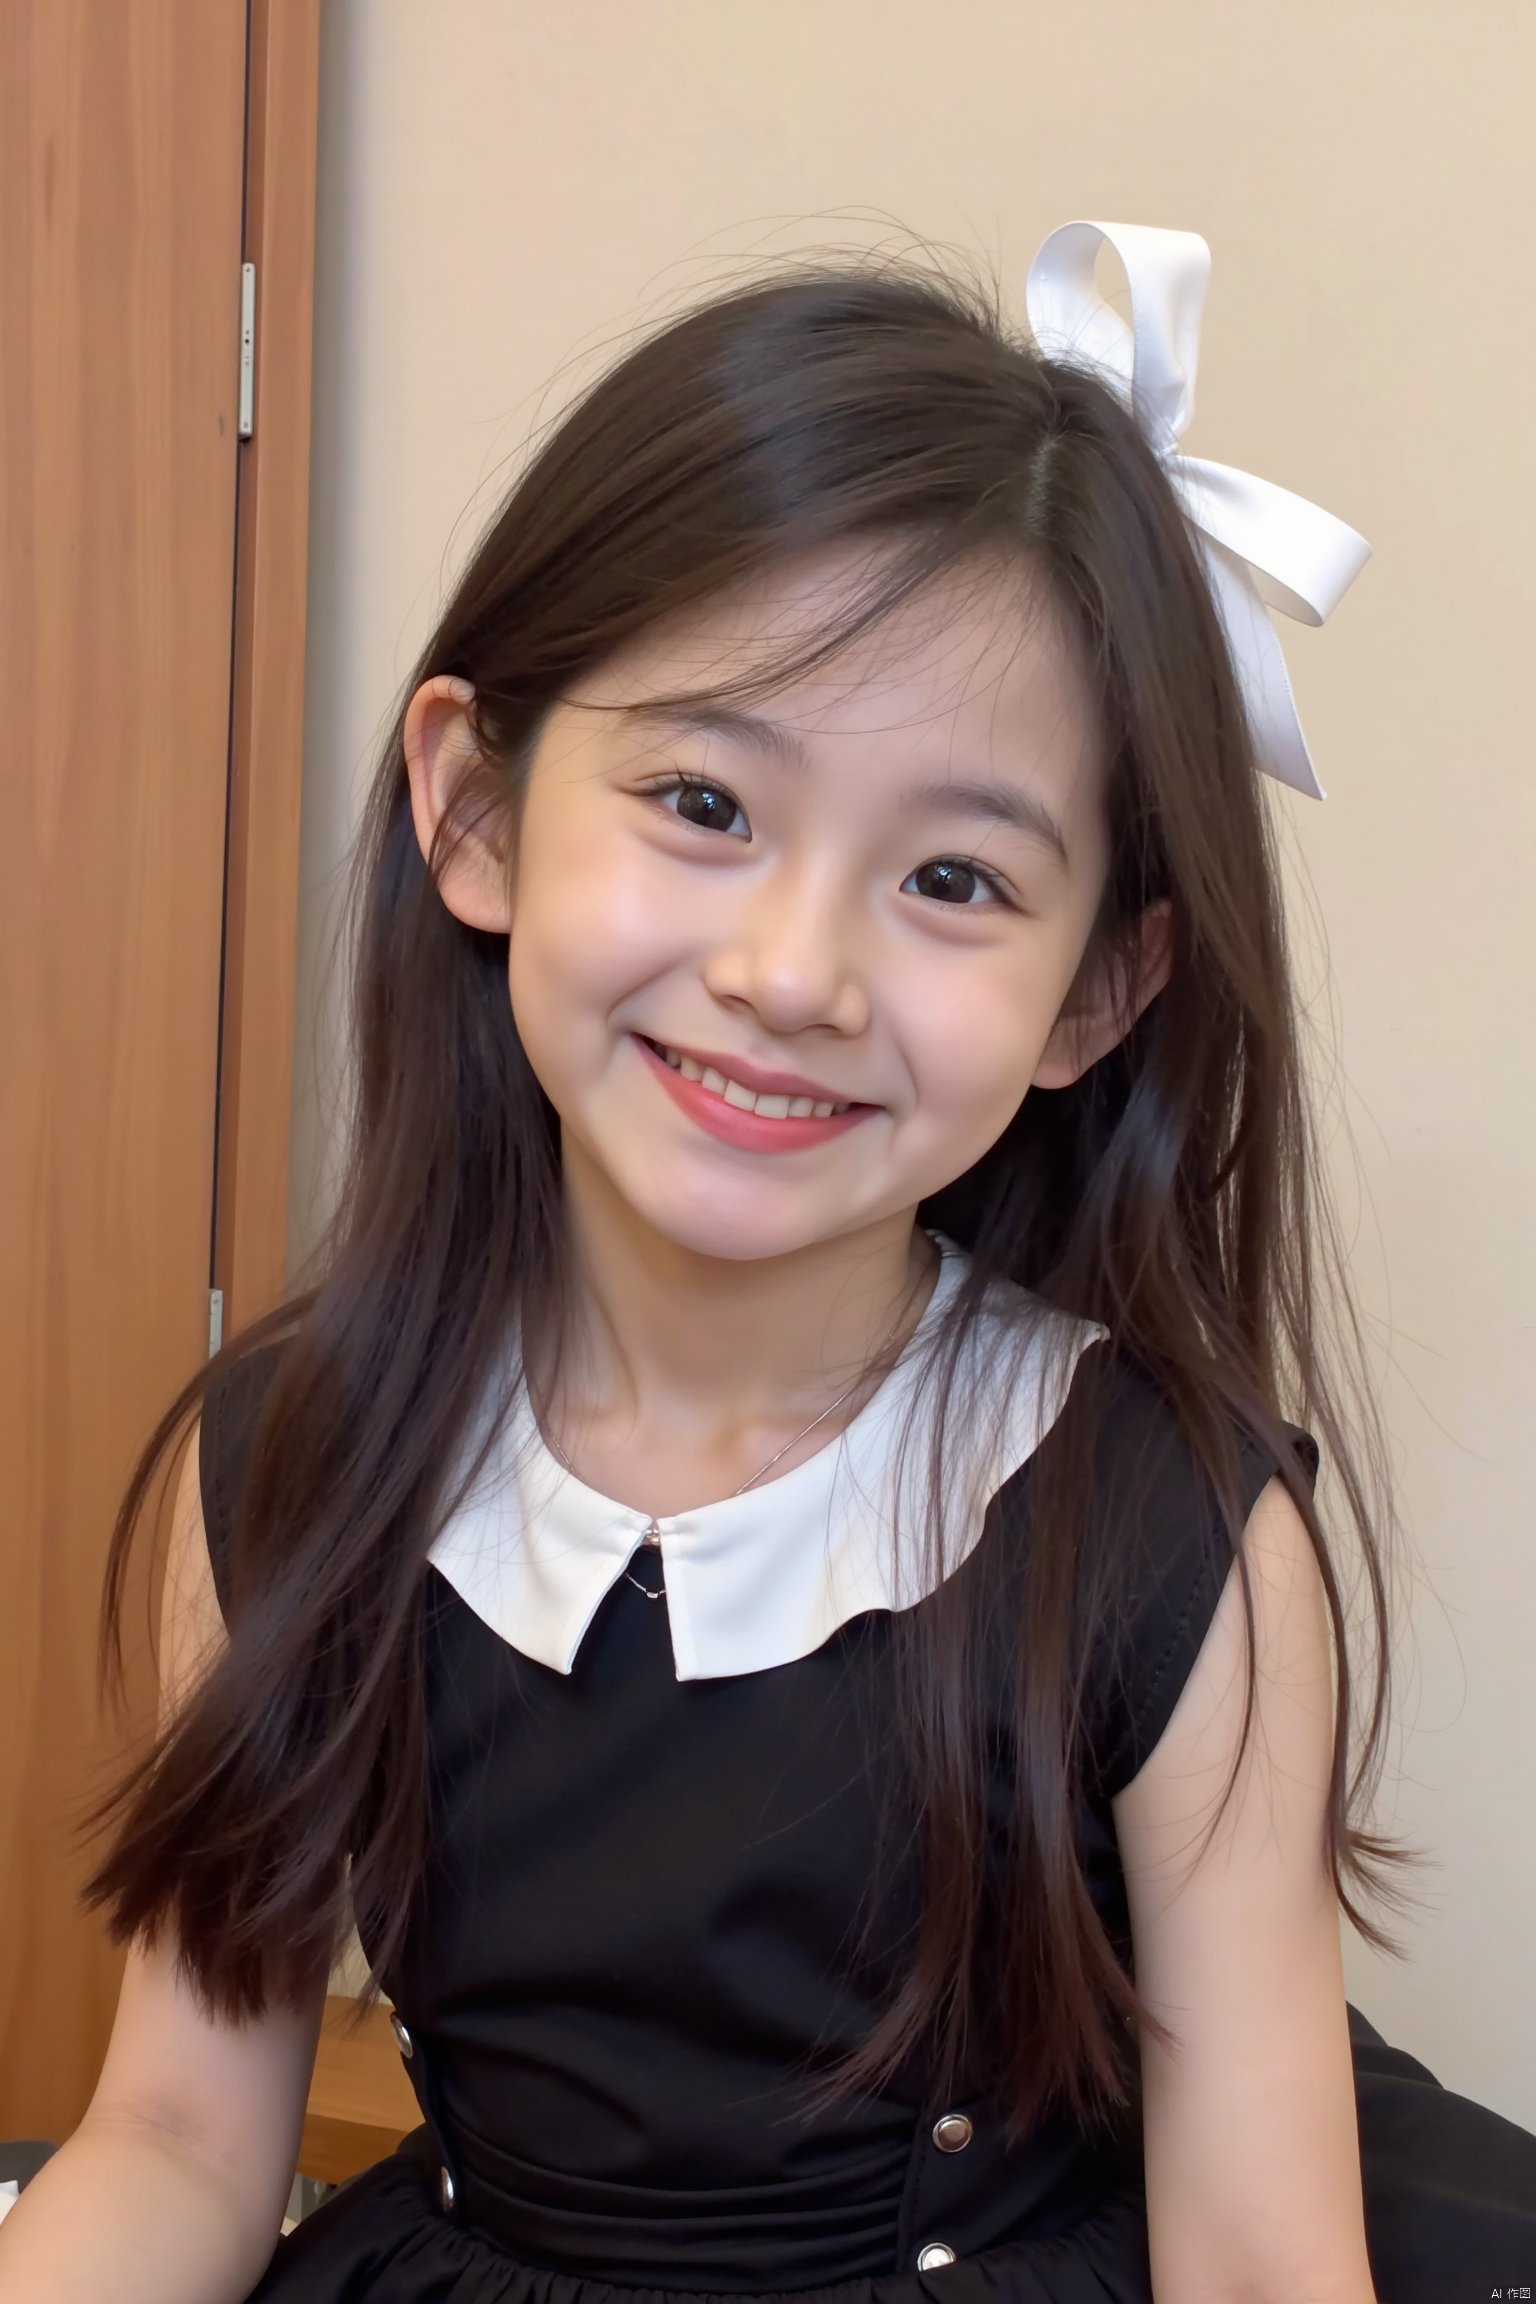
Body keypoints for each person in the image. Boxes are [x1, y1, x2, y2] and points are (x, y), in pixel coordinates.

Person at [2, 217, 1531, 2304]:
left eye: (957, 877)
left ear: (1098, 995)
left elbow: (1264, 2260)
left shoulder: (1166, 1524)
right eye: (707, 798)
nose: (793, 972)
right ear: (473, 810)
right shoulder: (289, 1460)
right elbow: (179, 2140)